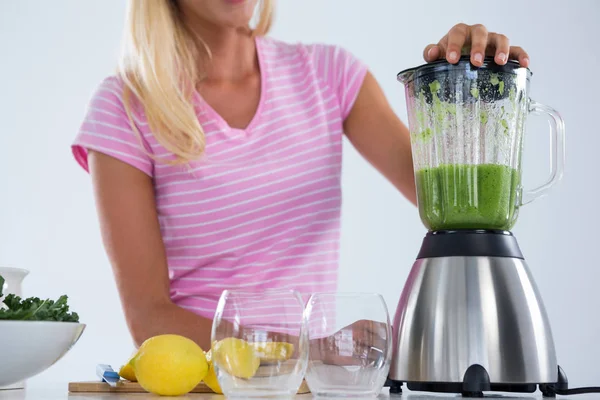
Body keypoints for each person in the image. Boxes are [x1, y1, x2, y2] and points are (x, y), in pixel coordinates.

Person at [72, 0, 530, 351]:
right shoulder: (125, 107)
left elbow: (453, 205)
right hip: (201, 385)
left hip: (306, 388)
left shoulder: (328, 75)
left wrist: (472, 87)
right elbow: (150, 320)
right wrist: (306, 353)